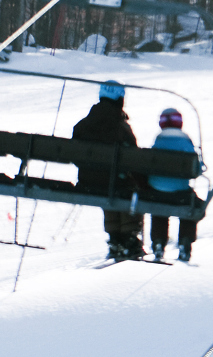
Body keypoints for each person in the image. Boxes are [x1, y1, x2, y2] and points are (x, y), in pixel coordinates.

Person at [72, 80, 144, 261]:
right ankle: (128, 239)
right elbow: (132, 158)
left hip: (88, 182)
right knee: (128, 186)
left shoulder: (83, 125)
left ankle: (115, 239)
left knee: (109, 182)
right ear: (120, 99)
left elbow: (74, 155)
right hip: (116, 183)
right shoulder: (121, 127)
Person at [146, 106, 204, 262]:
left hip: (157, 192)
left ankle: (158, 243)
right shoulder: (186, 140)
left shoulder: (159, 139)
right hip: (180, 193)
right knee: (192, 205)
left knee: (159, 207)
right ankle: (185, 242)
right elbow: (196, 170)